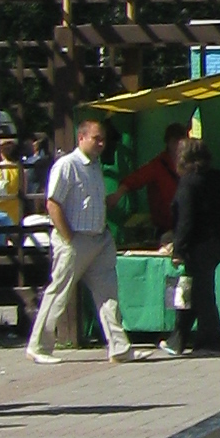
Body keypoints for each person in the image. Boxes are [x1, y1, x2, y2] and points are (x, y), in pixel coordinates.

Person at [27, 115, 131, 365]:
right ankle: (39, 346)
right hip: (76, 239)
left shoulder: (95, 166)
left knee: (108, 295)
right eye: (96, 139)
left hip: (99, 238)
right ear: (81, 137)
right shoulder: (67, 165)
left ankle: (119, 347)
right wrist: (69, 238)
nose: (101, 144)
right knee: (59, 292)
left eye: (103, 139)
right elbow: (53, 203)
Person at [166, 140, 220, 354]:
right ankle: (177, 338)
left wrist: (178, 249)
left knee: (201, 291)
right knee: (190, 287)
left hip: (199, 242)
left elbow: (186, 219)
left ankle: (210, 342)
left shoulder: (188, 183)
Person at [118, 122, 190, 241]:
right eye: (176, 141)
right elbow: (134, 179)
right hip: (165, 228)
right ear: (169, 142)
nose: (181, 146)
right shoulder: (157, 166)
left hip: (186, 226)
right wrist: (117, 194)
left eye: (183, 141)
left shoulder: (190, 165)